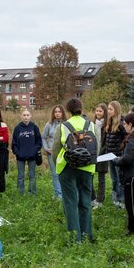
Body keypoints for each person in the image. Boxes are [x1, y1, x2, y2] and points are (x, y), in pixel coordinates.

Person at [51, 98, 95, 242]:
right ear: (81, 109)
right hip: (87, 167)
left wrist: (57, 163)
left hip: (68, 166)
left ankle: (75, 239)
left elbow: (55, 149)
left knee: (70, 202)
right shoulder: (91, 125)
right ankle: (87, 235)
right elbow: (96, 146)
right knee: (86, 202)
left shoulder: (64, 126)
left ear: (68, 111)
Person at [11, 109, 42, 195]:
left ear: (30, 116)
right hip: (20, 156)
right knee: (21, 176)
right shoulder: (17, 128)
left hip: (32, 156)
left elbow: (39, 142)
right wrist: (17, 152)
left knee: (32, 175)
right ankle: (21, 193)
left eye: (27, 115)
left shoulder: (34, 127)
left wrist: (34, 151)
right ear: (21, 116)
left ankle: (32, 192)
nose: (26, 117)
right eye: (24, 115)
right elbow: (14, 142)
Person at [105, 100, 127, 208]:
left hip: (118, 156)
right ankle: (115, 198)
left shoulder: (122, 123)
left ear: (116, 110)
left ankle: (121, 200)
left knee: (120, 179)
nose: (108, 111)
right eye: (108, 109)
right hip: (109, 155)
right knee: (114, 179)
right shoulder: (109, 122)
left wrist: (122, 151)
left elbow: (126, 138)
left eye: (110, 109)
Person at [42, 105, 66, 199]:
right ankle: (58, 194)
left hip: (63, 153)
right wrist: (46, 148)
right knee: (54, 174)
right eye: (55, 112)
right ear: (53, 113)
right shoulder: (49, 124)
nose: (57, 113)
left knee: (63, 173)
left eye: (59, 111)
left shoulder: (66, 124)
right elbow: (43, 137)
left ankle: (64, 193)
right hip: (51, 153)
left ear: (62, 113)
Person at [91, 103, 108, 208]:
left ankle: (100, 198)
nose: (98, 113)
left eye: (100, 111)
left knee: (101, 178)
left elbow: (107, 141)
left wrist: (102, 151)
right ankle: (92, 198)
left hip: (103, 154)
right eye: (96, 111)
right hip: (93, 153)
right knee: (90, 176)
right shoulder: (92, 124)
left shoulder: (107, 125)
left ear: (104, 112)